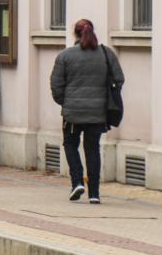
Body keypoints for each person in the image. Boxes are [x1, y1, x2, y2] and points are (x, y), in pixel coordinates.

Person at [49, 17, 124, 204]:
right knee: (92, 150)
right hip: (98, 113)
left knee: (70, 144)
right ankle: (94, 194)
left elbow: (56, 85)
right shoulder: (106, 54)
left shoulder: (65, 56)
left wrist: (65, 103)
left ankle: (77, 182)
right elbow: (119, 79)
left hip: (72, 114)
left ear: (75, 33)